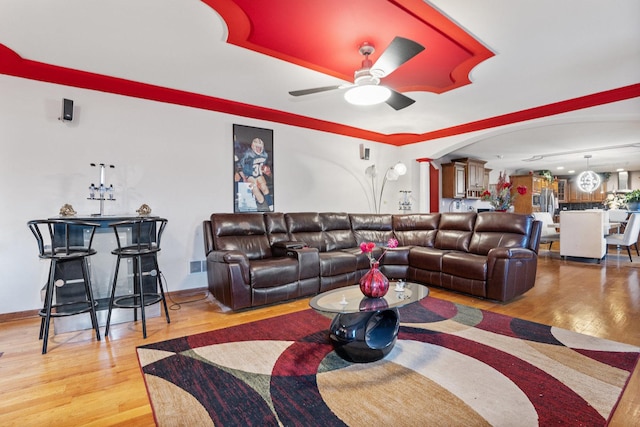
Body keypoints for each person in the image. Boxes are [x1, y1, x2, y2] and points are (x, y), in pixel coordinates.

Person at [238, 137, 273, 211]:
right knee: (261, 200)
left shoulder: (265, 155)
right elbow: (239, 166)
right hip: (249, 175)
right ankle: (253, 196)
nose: (259, 149)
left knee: (265, 189)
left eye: (260, 147)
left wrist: (266, 170)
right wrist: (244, 178)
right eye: (257, 147)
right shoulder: (248, 154)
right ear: (253, 146)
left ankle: (271, 205)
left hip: (258, 175)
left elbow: (264, 166)